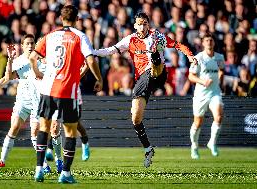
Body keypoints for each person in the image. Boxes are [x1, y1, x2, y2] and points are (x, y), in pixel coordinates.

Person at [93, 12, 197, 168]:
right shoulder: (130, 40)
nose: (142, 27)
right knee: (135, 118)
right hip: (143, 80)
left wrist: (189, 55)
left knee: (155, 57)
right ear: (135, 25)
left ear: (148, 24)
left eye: (145, 23)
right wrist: (91, 52)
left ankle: (155, 62)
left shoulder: (157, 36)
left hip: (159, 73)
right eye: (139, 24)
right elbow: (109, 51)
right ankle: (148, 149)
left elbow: (177, 45)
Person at [29, 5, 102, 183]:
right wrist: (99, 78)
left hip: (47, 89)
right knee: (69, 132)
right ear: (77, 19)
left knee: (44, 128)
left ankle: (39, 170)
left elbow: (32, 57)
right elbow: (90, 59)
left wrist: (37, 72)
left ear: (60, 19)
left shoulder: (50, 36)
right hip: (67, 91)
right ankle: (66, 174)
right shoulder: (80, 36)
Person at [0, 34, 51, 169]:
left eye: (32, 43)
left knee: (34, 132)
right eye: (27, 43)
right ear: (22, 46)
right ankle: (2, 161)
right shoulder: (18, 61)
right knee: (14, 127)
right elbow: (7, 77)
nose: (30, 46)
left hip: (37, 102)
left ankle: (44, 164)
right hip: (22, 101)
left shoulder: (41, 61)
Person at [188, 33, 225, 159]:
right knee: (198, 123)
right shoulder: (198, 58)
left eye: (211, 40)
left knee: (219, 117)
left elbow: (221, 70)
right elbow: (191, 76)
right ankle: (194, 146)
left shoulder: (220, 57)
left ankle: (212, 143)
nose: (209, 42)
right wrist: (203, 82)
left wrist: (220, 77)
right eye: (206, 40)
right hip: (201, 94)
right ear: (203, 43)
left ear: (214, 43)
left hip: (215, 92)